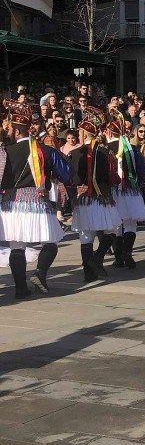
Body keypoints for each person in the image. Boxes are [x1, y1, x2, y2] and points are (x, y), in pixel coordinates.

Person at [0, 101, 69, 298]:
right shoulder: (45, 150)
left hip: (12, 203)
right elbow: (66, 173)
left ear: (17, 132)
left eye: (11, 128)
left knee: (17, 247)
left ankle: (21, 288)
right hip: (38, 203)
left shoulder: (6, 151)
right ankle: (40, 273)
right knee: (52, 241)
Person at [70, 106, 121, 284]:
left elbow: (73, 178)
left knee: (86, 236)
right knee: (111, 230)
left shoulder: (75, 153)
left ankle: (89, 270)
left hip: (83, 197)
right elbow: (114, 177)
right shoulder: (106, 152)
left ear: (84, 133)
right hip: (103, 196)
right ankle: (97, 259)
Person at [103, 112, 145, 271]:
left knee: (116, 225)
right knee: (131, 224)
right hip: (131, 190)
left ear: (109, 133)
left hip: (113, 190)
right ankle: (127, 253)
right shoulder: (132, 148)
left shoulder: (105, 149)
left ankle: (119, 258)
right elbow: (143, 170)